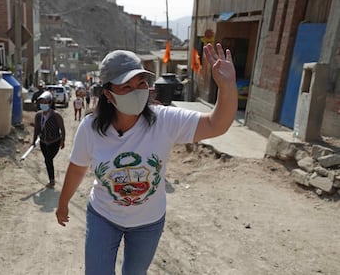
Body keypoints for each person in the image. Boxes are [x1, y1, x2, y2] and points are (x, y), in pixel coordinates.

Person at [55, 43, 237, 274]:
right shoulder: (90, 128)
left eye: (141, 83)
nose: (136, 90)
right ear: (107, 94)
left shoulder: (165, 121)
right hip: (103, 216)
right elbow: (77, 168)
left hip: (148, 223)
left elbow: (215, 125)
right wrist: (63, 203)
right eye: (126, 86)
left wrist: (227, 87)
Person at [32, 91, 65, 188]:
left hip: (54, 141)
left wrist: (63, 140)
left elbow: (62, 129)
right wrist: (33, 141)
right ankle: (51, 179)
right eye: (41, 103)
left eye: (45, 102)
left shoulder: (56, 115)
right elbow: (37, 129)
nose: (43, 105)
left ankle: (52, 180)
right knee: (47, 160)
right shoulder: (38, 115)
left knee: (48, 159)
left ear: (50, 103)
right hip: (43, 142)